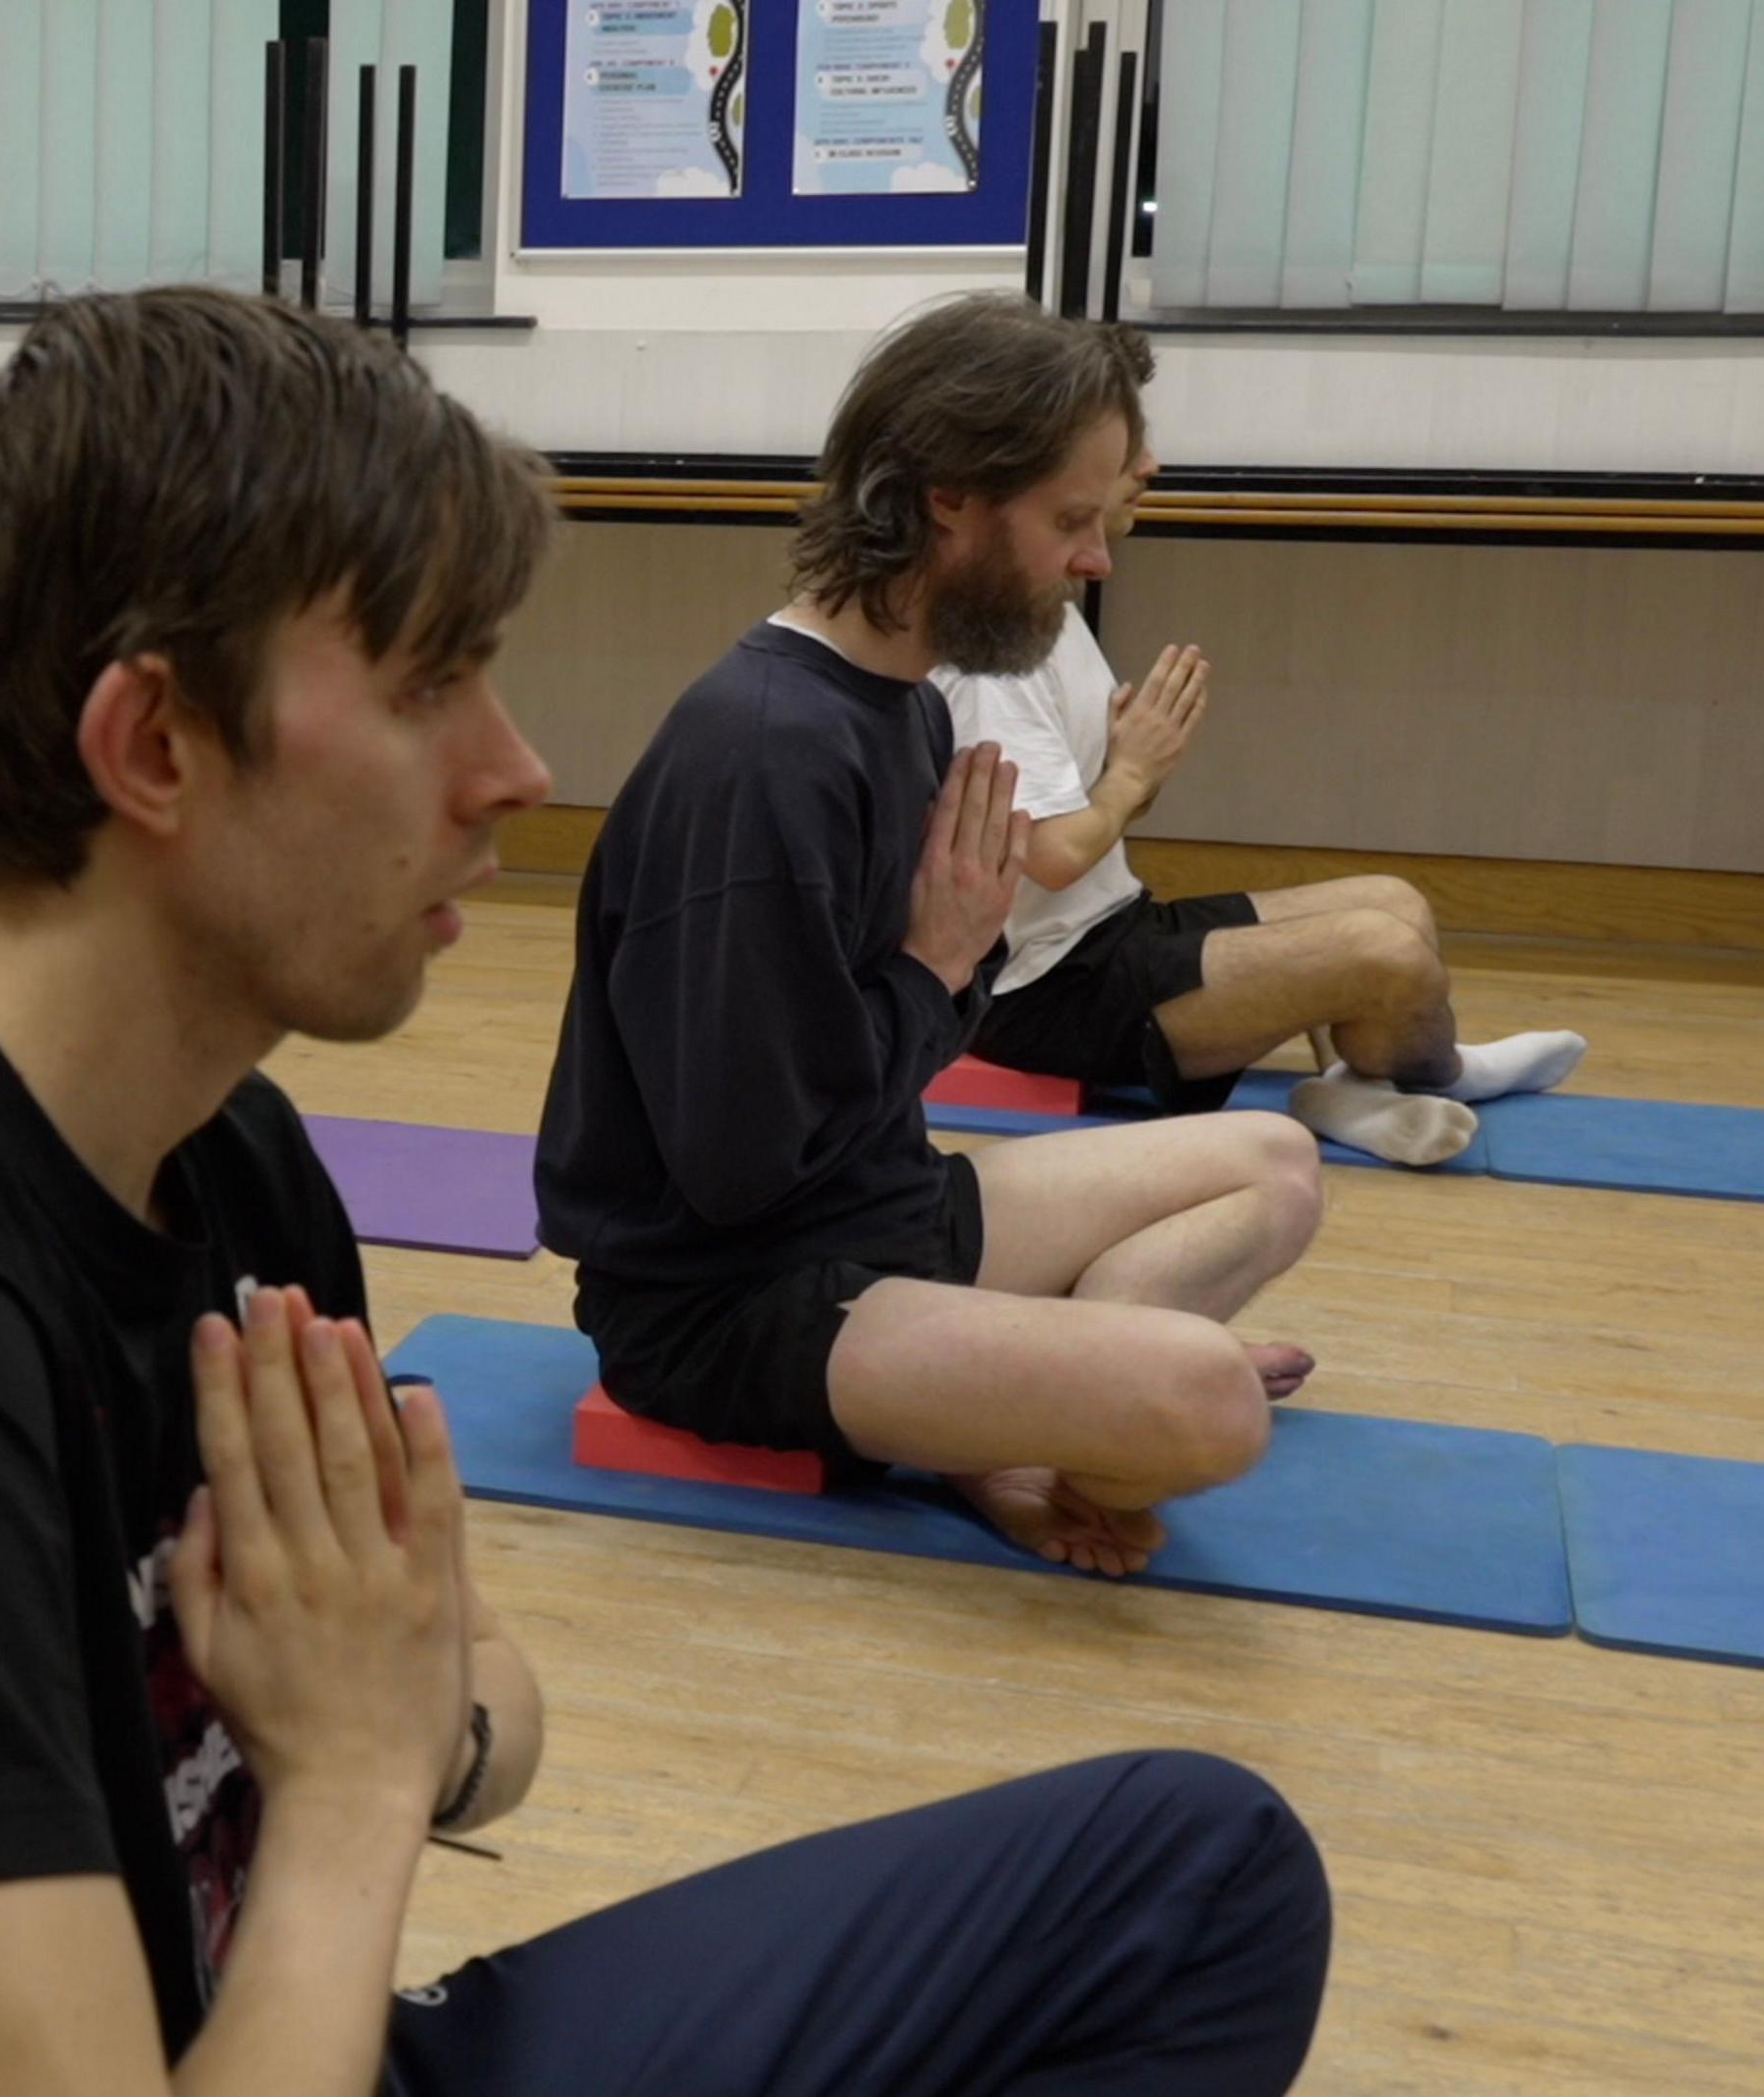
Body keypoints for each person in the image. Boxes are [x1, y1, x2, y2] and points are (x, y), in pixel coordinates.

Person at [0, 286, 1330, 2097]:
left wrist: (403, 1725)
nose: (518, 773)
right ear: (155, 747)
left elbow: (490, 1697)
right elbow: (417, 1724)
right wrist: (368, 1771)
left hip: (290, 2034)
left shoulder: (231, 1161)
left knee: (1198, 1874)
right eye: (425, 687)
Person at [538, 294, 1328, 1581]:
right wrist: (935, 969)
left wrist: (945, 972)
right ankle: (1032, 1398)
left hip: (875, 1209)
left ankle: (1022, 1391)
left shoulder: (898, 706)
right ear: (951, 495)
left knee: (1277, 1161)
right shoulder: (763, 757)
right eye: (1072, 520)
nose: (1098, 561)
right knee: (1208, 1401)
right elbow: (743, 1169)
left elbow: (887, 1061)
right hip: (736, 1302)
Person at [937, 446, 1588, 1168]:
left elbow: (1094, 822)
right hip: (1043, 993)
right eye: (1126, 451)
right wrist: (1132, 771)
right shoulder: (988, 656)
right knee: (1387, 955)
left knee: (1394, 903)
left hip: (1110, 931)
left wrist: (1137, 772)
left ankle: (1355, 1091)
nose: (1149, 465)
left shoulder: (1045, 612)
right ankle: (1438, 1075)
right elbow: (1054, 858)